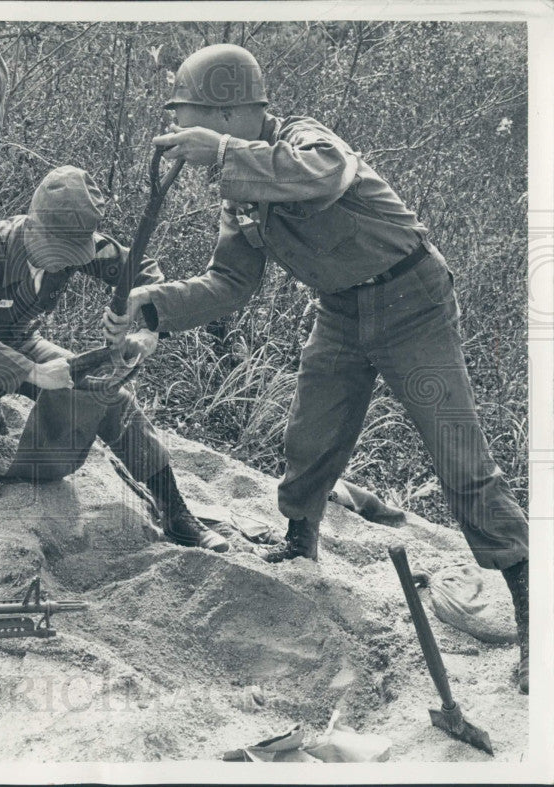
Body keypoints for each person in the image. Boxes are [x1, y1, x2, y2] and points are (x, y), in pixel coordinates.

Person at [102, 44, 529, 693]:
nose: (204, 143)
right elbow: (228, 283)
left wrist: (221, 154)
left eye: (211, 124)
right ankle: (300, 537)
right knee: (309, 435)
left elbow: (323, 176)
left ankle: (531, 601)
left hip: (412, 301)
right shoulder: (239, 197)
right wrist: (153, 306)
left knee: (459, 458)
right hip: (340, 312)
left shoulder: (306, 141)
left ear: (243, 114)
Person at [0, 165, 229, 552]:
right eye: (58, 252)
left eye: (73, 254)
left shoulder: (80, 245)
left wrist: (147, 328)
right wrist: (34, 372)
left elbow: (143, 269)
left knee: (111, 396)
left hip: (23, 342)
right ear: (31, 227)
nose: (65, 263)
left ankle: (175, 511)